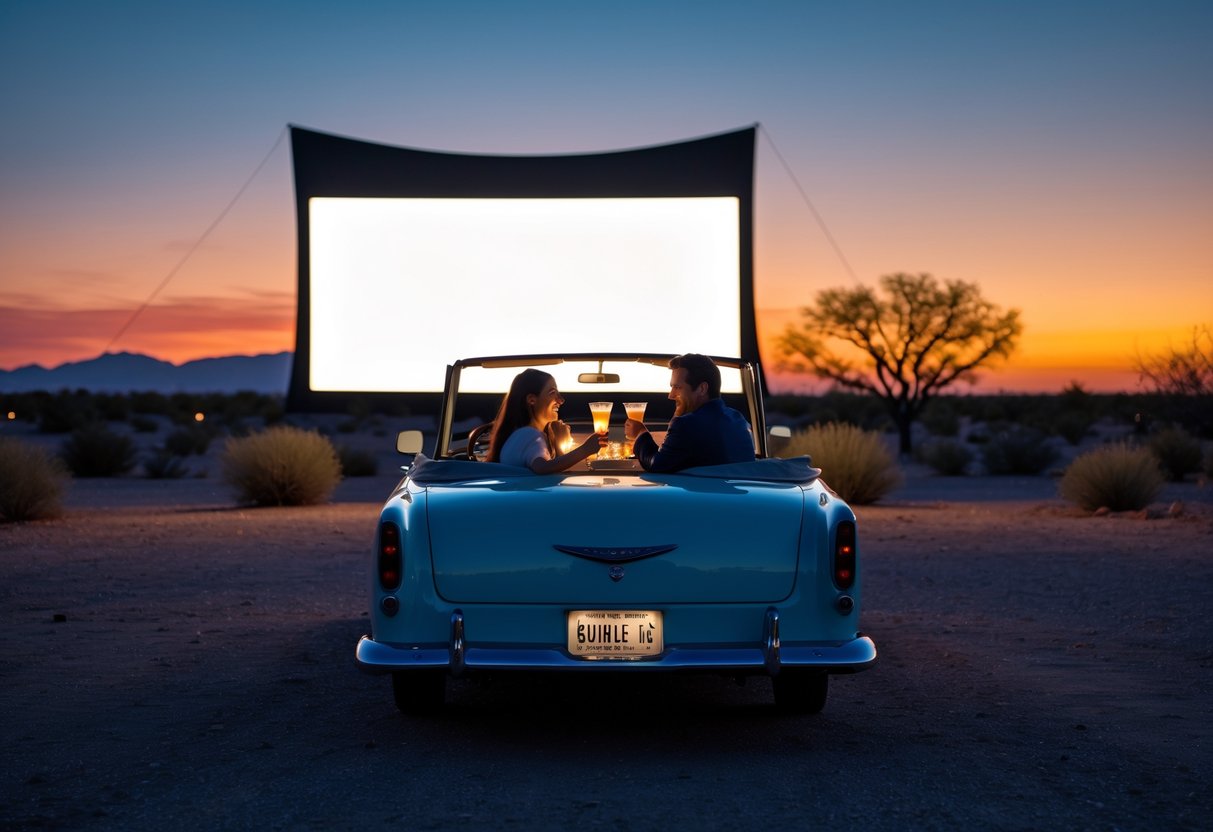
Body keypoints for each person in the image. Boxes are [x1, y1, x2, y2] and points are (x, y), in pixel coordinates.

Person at [624, 353, 755, 472]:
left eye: (678, 387)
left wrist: (640, 433)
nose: (671, 395)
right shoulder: (738, 420)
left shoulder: (686, 424)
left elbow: (656, 464)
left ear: (702, 388)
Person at [487, 368, 606, 473]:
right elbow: (542, 468)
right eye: (552, 393)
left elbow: (550, 476)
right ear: (532, 400)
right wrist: (585, 449)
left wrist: (559, 443)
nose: (561, 400)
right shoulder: (529, 434)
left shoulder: (520, 434)